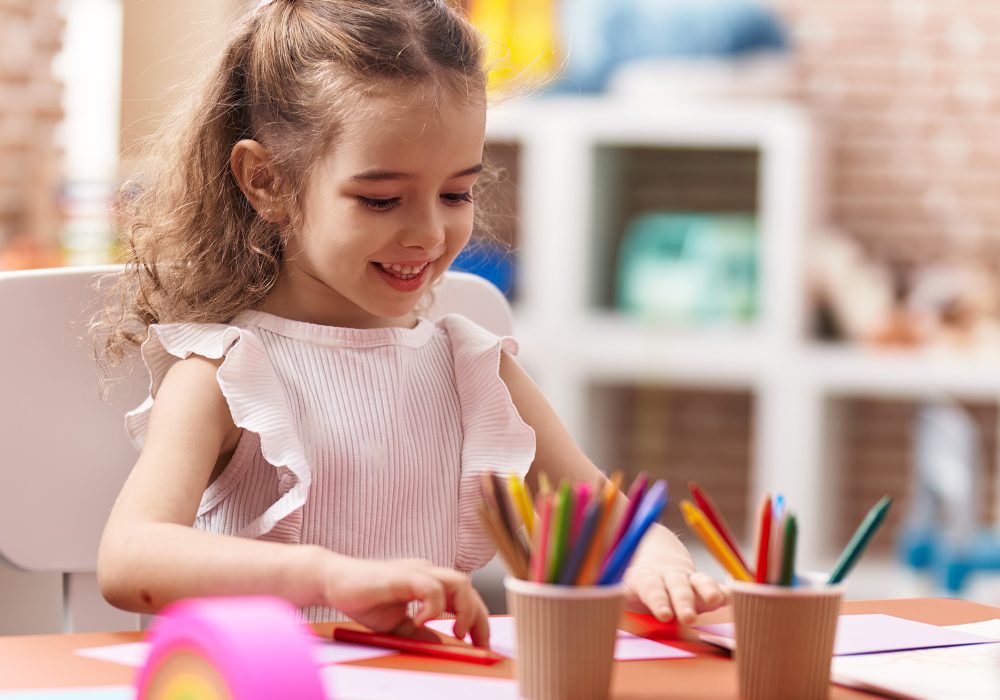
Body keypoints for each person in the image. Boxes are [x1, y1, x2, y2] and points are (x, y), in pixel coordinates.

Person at [96, 0, 726, 646]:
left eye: (456, 193)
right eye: (381, 199)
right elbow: (129, 558)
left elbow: (613, 524)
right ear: (267, 182)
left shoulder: (474, 367)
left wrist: (654, 560)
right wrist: (326, 577)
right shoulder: (228, 373)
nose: (428, 232)